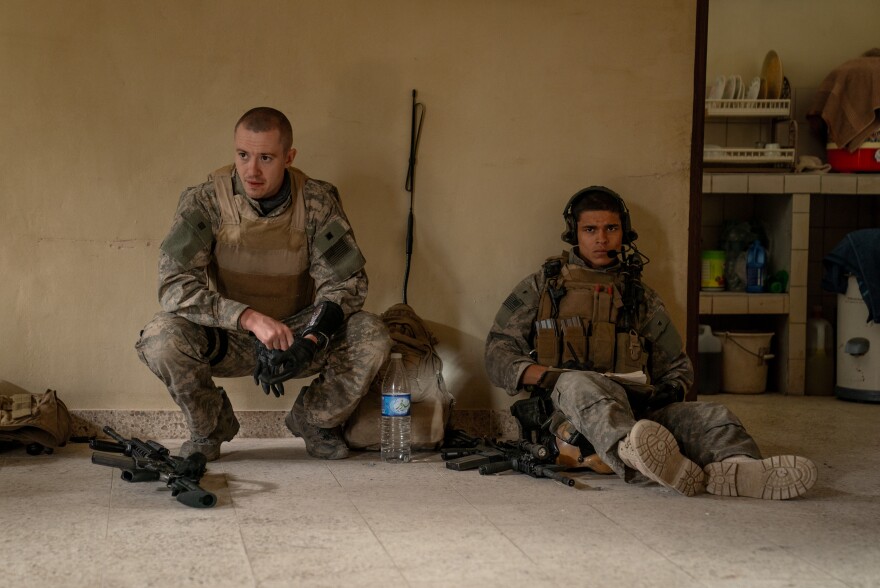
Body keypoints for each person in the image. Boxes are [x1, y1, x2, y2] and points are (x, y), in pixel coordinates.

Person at [484, 186, 818, 499]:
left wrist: (665, 391)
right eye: (590, 230)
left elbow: (678, 367)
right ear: (574, 233)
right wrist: (546, 376)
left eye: (611, 229)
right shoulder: (542, 287)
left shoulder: (639, 297)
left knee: (714, 414)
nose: (601, 239)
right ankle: (634, 450)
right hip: (565, 414)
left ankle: (738, 469)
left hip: (639, 414)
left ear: (623, 232)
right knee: (578, 384)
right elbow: (497, 353)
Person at [136, 107, 391, 461]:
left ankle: (314, 420)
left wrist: (312, 340)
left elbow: (346, 284)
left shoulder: (316, 202)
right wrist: (249, 318)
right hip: (231, 336)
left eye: (266, 158)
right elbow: (174, 285)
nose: (251, 170)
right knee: (160, 338)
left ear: (288, 157)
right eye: (243, 155)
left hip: (299, 335)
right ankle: (210, 428)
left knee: (372, 334)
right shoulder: (205, 201)